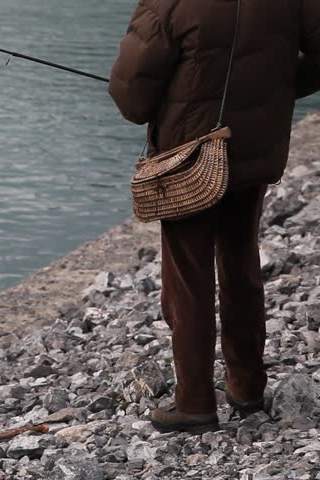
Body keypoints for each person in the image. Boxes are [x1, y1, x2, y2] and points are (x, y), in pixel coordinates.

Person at [108, 0, 320, 433]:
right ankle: (247, 386)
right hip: (255, 147)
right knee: (241, 262)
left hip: (189, 156)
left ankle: (194, 402)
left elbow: (132, 97)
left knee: (188, 277)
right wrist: (274, 91)